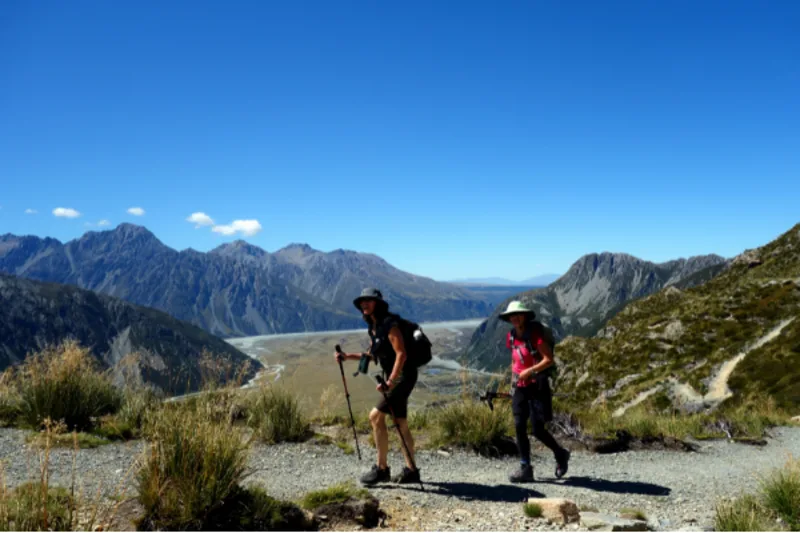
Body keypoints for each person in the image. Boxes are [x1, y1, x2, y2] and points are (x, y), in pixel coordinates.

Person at [334, 288, 421, 485]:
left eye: (369, 301)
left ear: (378, 304)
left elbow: (401, 354)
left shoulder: (390, 324)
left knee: (375, 416)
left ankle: (382, 469)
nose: (365, 304)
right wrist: (347, 356)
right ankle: (411, 470)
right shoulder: (374, 327)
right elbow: (372, 355)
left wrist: (390, 381)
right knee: (400, 423)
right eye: (362, 302)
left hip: (402, 377)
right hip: (398, 377)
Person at [499, 300, 571, 483]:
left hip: (537, 385)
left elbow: (549, 359)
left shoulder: (535, 335)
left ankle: (560, 453)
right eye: (511, 316)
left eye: (517, 315)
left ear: (524, 316)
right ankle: (525, 468)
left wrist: (529, 371)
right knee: (518, 425)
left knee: (538, 430)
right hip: (520, 386)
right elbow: (515, 360)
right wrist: (513, 380)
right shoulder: (511, 336)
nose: (514, 318)